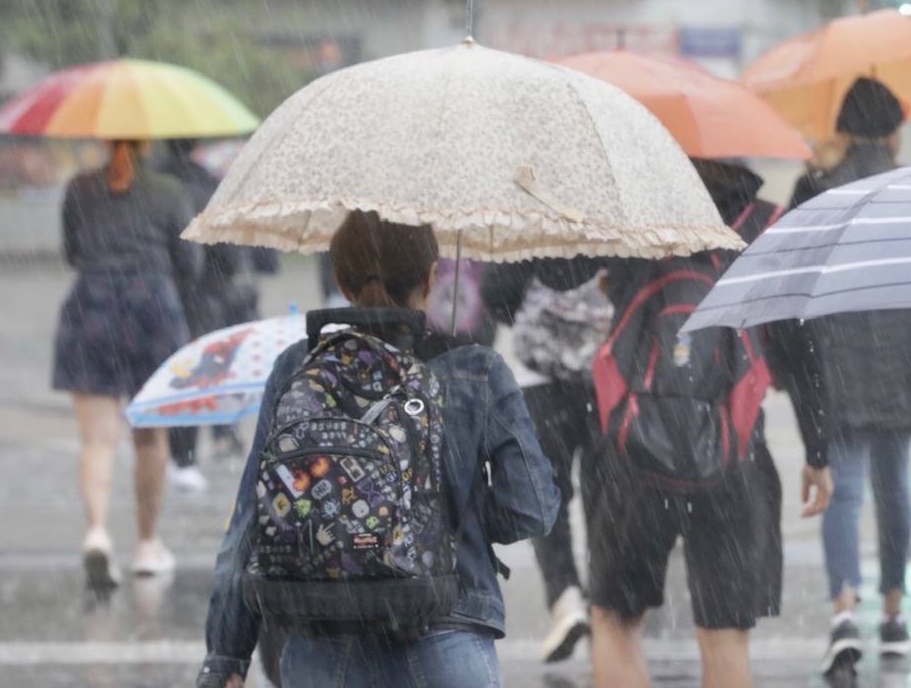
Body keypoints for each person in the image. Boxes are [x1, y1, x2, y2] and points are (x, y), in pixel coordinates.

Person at [198, 211, 559, 688]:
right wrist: (450, 519)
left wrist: (226, 657)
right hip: (447, 637)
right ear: (432, 279)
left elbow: (248, 524)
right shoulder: (476, 371)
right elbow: (531, 509)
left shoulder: (298, 368)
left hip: (322, 646)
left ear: (342, 283)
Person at [536, 158, 834, 688]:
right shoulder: (765, 223)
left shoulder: (632, 219)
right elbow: (801, 349)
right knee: (724, 634)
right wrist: (818, 451)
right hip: (733, 450)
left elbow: (555, 273)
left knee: (615, 619)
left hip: (632, 449)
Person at [768, 77, 911, 674]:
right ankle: (893, 615)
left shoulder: (815, 188)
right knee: (895, 490)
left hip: (834, 357)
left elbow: (790, 279)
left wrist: (791, 364)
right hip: (905, 357)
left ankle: (843, 610)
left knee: (844, 486)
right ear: (890, 132)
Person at [53, 139, 204, 589]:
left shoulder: (79, 188)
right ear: (147, 141)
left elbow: (72, 253)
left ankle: (97, 533)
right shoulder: (170, 191)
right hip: (152, 309)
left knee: (97, 440)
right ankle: (146, 544)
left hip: (91, 307)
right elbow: (190, 263)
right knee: (149, 436)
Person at [481, 261, 611, 662]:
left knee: (546, 493)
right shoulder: (613, 220)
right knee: (602, 490)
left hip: (539, 381)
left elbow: (495, 293)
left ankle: (565, 598)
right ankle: (607, 599)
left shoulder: (538, 224)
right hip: (603, 377)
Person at [160, 139, 276, 490]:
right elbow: (229, 252)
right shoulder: (212, 188)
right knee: (209, 369)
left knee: (176, 374)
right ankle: (217, 435)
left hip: (166, 294)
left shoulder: (159, 187)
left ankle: (175, 449)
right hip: (210, 296)